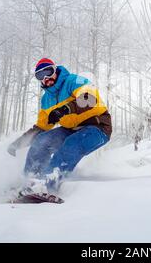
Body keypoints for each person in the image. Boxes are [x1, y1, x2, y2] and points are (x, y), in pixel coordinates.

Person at [7, 58, 112, 193]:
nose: (46, 78)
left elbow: (89, 99)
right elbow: (41, 127)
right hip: (70, 129)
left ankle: (48, 184)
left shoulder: (74, 81)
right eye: (40, 76)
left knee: (72, 143)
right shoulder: (46, 99)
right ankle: (30, 181)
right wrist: (19, 143)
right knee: (42, 141)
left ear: (55, 70)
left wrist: (64, 109)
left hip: (97, 126)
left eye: (48, 72)